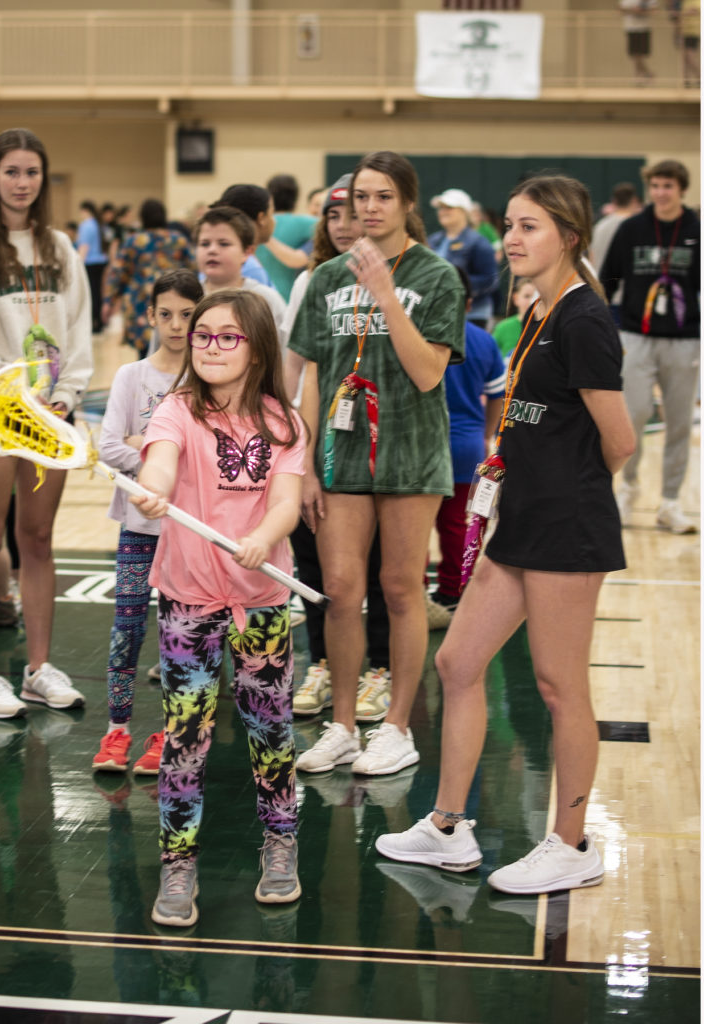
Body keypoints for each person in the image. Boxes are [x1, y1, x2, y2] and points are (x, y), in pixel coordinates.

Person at [375, 174, 636, 895]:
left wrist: (565, 488)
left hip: (566, 527)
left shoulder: (583, 319)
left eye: (529, 227)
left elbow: (620, 441)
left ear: (570, 236)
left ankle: (572, 843)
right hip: (519, 519)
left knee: (559, 687)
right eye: (510, 226)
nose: (512, 239)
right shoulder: (539, 309)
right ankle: (449, 828)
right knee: (458, 663)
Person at [289, 150, 466, 777]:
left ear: (407, 203)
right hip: (341, 457)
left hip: (411, 452)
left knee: (399, 588)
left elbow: (427, 372)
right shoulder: (326, 278)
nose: (368, 207)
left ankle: (394, 727)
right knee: (339, 589)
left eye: (383, 196)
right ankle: (340, 726)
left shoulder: (438, 276)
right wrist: (306, 462)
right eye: (360, 197)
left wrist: (388, 298)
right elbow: (313, 374)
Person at [134, 289, 306, 927]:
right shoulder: (175, 411)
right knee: (185, 735)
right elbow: (160, 464)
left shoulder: (284, 423)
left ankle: (281, 844)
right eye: (201, 334)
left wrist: (266, 537)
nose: (207, 344)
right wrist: (154, 492)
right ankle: (177, 863)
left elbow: (286, 502)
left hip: (260, 602)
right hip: (187, 600)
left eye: (225, 336)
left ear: (257, 346)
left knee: (270, 729)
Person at [0, 127, 93, 719]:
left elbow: (78, 328)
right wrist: (9, 391)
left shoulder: (60, 248)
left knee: (36, 539)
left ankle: (38, 668)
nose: (22, 182)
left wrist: (66, 396)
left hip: (50, 412)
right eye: (12, 172)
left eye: (32, 172)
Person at [282, 175, 391, 724]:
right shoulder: (312, 285)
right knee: (316, 563)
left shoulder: (406, 278)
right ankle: (323, 662)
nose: (345, 224)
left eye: (356, 212)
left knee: (381, 572)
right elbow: (296, 375)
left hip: (384, 454)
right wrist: (298, 456)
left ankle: (381, 669)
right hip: (322, 447)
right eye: (334, 215)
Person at [92, 269, 203, 775]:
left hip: (189, 532)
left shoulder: (209, 377)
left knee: (178, 635)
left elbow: (207, 456)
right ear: (150, 316)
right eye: (166, 314)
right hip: (139, 526)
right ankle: (116, 731)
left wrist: (148, 446)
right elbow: (108, 445)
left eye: (186, 314)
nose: (176, 325)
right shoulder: (131, 377)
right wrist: (160, 455)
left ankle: (167, 734)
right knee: (128, 627)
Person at [600, 158, 700, 534]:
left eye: (668, 186)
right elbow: (608, 280)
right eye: (655, 185)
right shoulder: (632, 228)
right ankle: (628, 488)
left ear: (681, 189)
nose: (660, 192)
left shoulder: (696, 229)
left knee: (677, 423)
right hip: (635, 337)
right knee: (634, 415)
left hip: (684, 339)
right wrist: (604, 329)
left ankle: (671, 503)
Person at [426, 267, 506, 627]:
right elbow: (497, 396)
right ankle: (454, 593)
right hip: (467, 445)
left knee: (411, 528)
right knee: (459, 524)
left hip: (423, 449)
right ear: (470, 303)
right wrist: (485, 435)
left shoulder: (418, 336)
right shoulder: (483, 340)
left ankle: (413, 594)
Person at [101, 198, 195, 357]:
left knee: (145, 354)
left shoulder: (134, 241)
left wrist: (108, 302)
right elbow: (193, 269)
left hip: (141, 304)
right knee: (174, 348)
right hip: (175, 301)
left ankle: (146, 380)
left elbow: (118, 273)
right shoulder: (178, 239)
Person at [194, 206, 287, 342]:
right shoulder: (184, 297)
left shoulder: (267, 300)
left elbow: (283, 356)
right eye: (205, 244)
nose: (212, 250)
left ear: (247, 252)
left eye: (224, 244)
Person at [428, 188, 499, 328]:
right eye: (441, 208)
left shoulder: (479, 242)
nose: (442, 211)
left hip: (472, 316)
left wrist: (453, 284)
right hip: (439, 314)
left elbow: (490, 280)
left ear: (464, 212)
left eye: (449, 207)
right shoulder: (433, 240)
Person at [257, 174, 318, 302]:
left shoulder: (257, 224)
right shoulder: (309, 223)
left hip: (259, 296)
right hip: (292, 296)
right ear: (296, 199)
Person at [77, 200, 108, 332]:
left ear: (85, 211)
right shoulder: (100, 224)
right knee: (98, 292)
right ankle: (99, 322)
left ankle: (92, 322)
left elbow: (84, 247)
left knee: (90, 294)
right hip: (101, 262)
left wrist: (77, 264)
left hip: (90, 263)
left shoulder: (86, 225)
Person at [492, 277, 537, 357]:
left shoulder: (548, 326)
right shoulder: (503, 327)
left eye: (536, 297)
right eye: (526, 296)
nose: (531, 301)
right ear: (516, 298)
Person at [619, 0, 657, 83]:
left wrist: (642, 11)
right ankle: (643, 74)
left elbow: (654, 9)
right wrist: (632, 10)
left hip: (644, 28)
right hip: (631, 27)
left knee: (640, 54)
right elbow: (621, 9)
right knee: (634, 53)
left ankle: (640, 76)